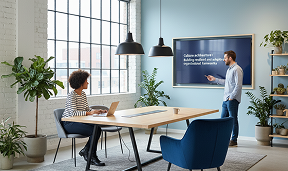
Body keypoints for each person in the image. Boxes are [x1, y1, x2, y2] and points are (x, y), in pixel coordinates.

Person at [62, 69, 107, 166]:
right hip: (69, 123)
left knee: (97, 128)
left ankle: (87, 151)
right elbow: (73, 113)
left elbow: (86, 108)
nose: (88, 82)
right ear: (80, 82)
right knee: (94, 130)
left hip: (79, 122)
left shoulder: (82, 94)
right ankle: (91, 155)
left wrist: (98, 111)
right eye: (86, 81)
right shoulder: (71, 95)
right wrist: (90, 113)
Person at [206, 50, 243, 146]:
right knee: (222, 120)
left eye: (225, 58)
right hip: (225, 99)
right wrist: (214, 79)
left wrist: (231, 97)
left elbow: (238, 86)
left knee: (233, 120)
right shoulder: (229, 69)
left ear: (230, 58)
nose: (224, 60)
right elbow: (227, 82)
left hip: (232, 99)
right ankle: (222, 139)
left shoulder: (237, 69)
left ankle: (234, 140)